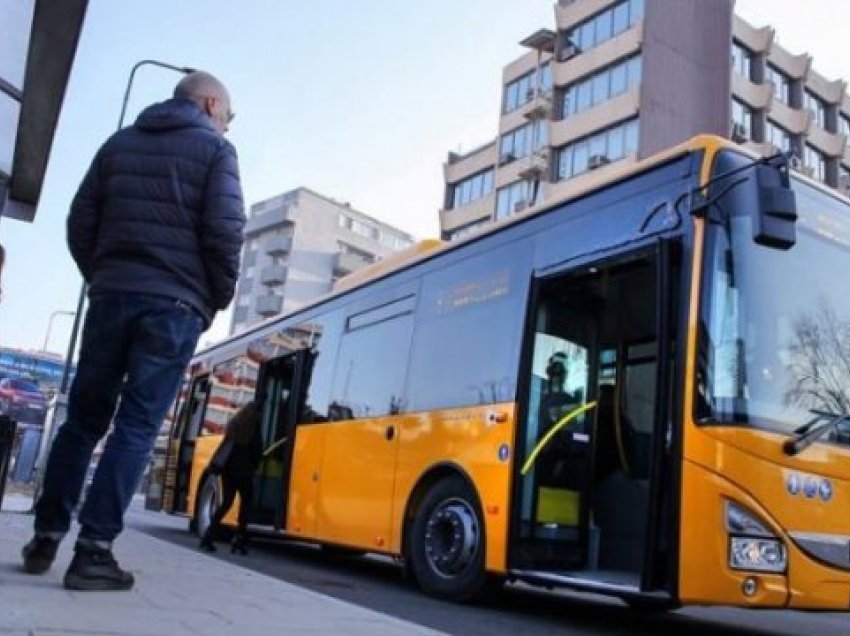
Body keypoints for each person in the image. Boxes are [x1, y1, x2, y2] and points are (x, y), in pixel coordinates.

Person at [21, 71, 245, 591]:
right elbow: (226, 230)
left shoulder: (118, 143)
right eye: (229, 118)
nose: (228, 127)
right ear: (211, 103)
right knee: (137, 426)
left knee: (82, 421)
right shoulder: (215, 151)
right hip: (174, 304)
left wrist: (104, 275)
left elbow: (80, 220)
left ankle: (46, 537)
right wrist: (212, 297)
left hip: (111, 296)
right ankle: (94, 552)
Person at [200, 402, 263, 554]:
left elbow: (225, 446)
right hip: (244, 472)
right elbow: (257, 450)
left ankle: (208, 536)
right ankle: (239, 540)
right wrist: (255, 465)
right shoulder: (253, 428)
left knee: (226, 503)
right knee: (246, 504)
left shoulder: (234, 425)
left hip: (228, 471)